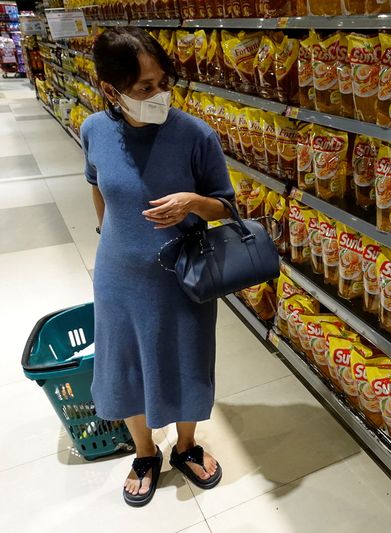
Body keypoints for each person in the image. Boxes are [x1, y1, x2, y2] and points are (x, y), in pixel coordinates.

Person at [81, 27, 232, 507]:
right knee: (126, 364)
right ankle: (145, 453)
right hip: (119, 275)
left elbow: (227, 208)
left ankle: (185, 446)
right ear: (111, 89)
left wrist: (194, 202)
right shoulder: (94, 130)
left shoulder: (195, 135)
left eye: (163, 82)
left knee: (188, 358)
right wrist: (112, 235)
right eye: (145, 88)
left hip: (183, 274)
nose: (159, 95)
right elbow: (97, 185)